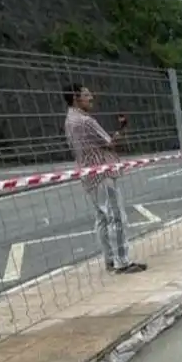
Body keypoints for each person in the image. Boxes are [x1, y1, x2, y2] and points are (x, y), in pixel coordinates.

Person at [63, 83, 147, 274]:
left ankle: (109, 259)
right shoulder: (85, 121)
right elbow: (110, 143)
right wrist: (122, 129)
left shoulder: (69, 121)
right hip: (102, 173)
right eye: (86, 94)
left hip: (88, 174)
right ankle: (122, 261)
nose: (91, 97)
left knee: (102, 218)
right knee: (116, 216)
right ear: (76, 98)